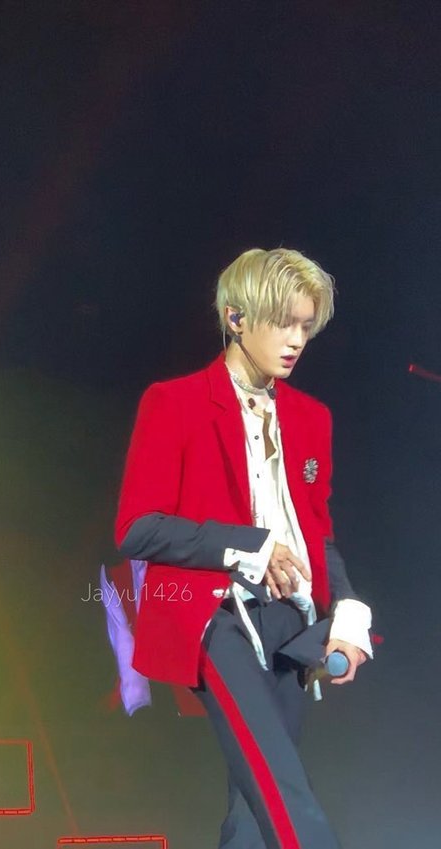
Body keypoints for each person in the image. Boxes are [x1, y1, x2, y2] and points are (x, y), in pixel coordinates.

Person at [114, 247, 373, 849]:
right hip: (213, 612)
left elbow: (318, 533)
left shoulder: (312, 418)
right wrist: (248, 545)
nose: (296, 340)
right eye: (283, 322)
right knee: (281, 785)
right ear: (236, 318)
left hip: (292, 619)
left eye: (305, 326)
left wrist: (347, 612)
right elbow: (137, 528)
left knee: (254, 812)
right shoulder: (174, 402)